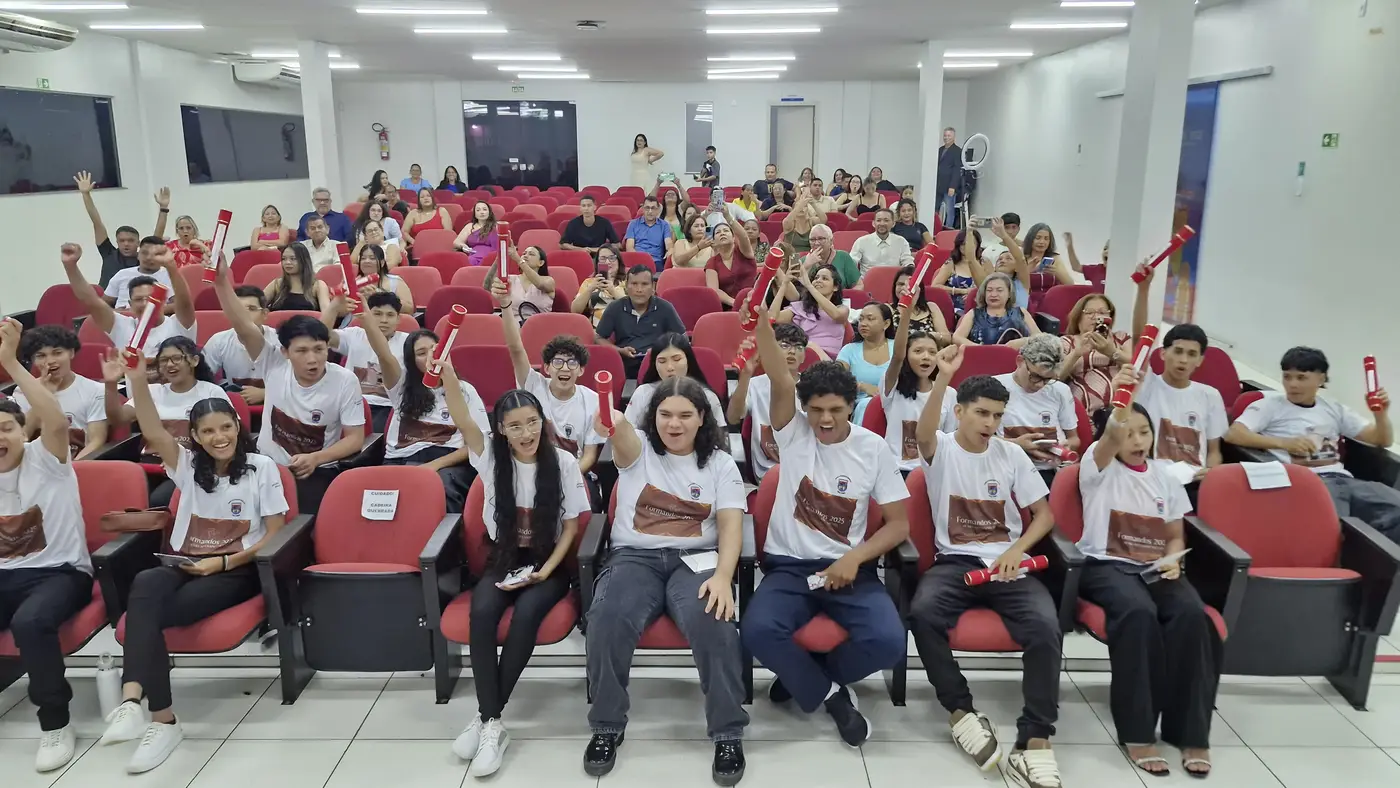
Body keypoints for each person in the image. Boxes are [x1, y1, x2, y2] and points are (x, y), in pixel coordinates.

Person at [101, 350, 287, 774]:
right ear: (196, 437)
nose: (219, 437)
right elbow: (151, 427)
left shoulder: (261, 468)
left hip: (235, 569)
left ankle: (157, 716)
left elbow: (275, 534)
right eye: (208, 431)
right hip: (184, 561)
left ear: (238, 426)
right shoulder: (187, 467)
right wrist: (136, 378)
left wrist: (222, 564)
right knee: (146, 583)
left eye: (226, 427)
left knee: (148, 614)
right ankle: (135, 706)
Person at [740, 315, 910, 747]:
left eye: (835, 409)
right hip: (789, 568)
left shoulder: (873, 448)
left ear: (852, 405)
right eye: (816, 410)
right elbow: (779, 377)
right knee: (756, 630)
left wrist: (854, 558)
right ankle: (833, 696)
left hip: (849, 569)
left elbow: (899, 524)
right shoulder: (794, 432)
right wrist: (761, 324)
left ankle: (806, 678)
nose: (825, 419)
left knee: (889, 642)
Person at [583, 375, 748, 783]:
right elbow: (620, 429)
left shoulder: (720, 463)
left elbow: (731, 526)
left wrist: (723, 576)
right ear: (653, 417)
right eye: (665, 414)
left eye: (685, 415)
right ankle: (607, 725)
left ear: (702, 417)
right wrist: (612, 420)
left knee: (714, 621)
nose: (674, 424)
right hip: (634, 557)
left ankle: (727, 731)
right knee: (607, 618)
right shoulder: (638, 450)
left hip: (696, 559)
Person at [909, 353, 1064, 787]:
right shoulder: (940, 448)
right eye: (981, 413)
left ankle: (1035, 738)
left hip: (1008, 564)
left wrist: (1016, 550)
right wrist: (942, 378)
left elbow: (1044, 516)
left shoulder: (1011, 454)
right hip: (955, 563)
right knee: (922, 613)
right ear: (959, 412)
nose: (990, 423)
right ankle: (961, 712)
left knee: (1045, 626)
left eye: (997, 415)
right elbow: (922, 433)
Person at [440, 360, 587, 776]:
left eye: (532, 422)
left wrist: (547, 570)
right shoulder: (490, 458)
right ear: (502, 429)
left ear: (543, 422)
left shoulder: (563, 463)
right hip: (504, 557)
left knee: (526, 616)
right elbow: (462, 417)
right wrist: (448, 374)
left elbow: (571, 527)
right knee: (482, 613)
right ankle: (492, 721)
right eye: (516, 426)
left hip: (547, 562)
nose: (526, 433)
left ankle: (486, 717)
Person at [1075, 374, 1216, 778]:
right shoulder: (1096, 467)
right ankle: (1138, 732)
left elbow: (1175, 535)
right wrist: (1125, 395)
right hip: (1105, 566)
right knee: (1138, 614)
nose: (1137, 440)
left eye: (1144, 432)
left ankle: (1189, 732)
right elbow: (1110, 435)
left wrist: (1174, 560)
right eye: (1128, 433)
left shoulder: (1166, 476)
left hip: (1155, 568)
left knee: (1193, 616)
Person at [0, 318, 93, 774]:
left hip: (61, 573)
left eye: (6, 429)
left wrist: (10, 362)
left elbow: (53, 417)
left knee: (31, 621)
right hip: (5, 576)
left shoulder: (47, 459)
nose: (0, 439)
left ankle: (55, 722)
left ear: (23, 431)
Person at [212, 268, 365, 512]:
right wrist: (220, 280)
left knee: (304, 521)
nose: (312, 359)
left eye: (319, 349)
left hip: (315, 469)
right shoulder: (274, 363)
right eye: (302, 351)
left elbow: (355, 439)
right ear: (285, 352)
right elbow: (242, 326)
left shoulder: (345, 380)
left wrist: (316, 458)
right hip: (266, 465)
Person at [1227, 347, 1399, 541]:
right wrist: (1283, 443)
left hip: (1346, 480)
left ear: (1321, 379)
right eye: (1287, 377)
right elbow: (1234, 434)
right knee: (1335, 528)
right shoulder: (1269, 405)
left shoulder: (1334, 408)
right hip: (1307, 484)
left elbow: (1381, 440)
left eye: (1301, 378)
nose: (1292, 384)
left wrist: (1380, 415)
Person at [360, 319, 487, 513]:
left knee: (436, 491)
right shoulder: (400, 386)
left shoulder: (465, 390)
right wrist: (365, 316)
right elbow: (383, 354)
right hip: (399, 460)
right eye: (421, 353)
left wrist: (434, 465)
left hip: (446, 462)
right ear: (411, 362)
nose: (431, 357)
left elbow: (480, 444)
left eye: (436, 350)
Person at [103, 337, 231, 506]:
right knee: (117, 497)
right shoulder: (151, 392)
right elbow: (118, 419)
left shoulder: (211, 392)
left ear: (194, 361)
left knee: (158, 500)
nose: (170, 365)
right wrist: (110, 384)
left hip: (189, 467)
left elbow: (225, 436)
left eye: (176, 358)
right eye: (163, 360)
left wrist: (179, 459)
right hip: (149, 465)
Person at [497, 282, 605, 480]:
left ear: (581, 370)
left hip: (573, 475)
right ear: (546, 368)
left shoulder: (593, 401)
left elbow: (589, 456)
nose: (565, 368)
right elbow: (515, 348)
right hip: (532, 473)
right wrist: (505, 304)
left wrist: (565, 479)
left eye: (572, 363)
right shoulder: (533, 385)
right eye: (558, 362)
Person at [1127, 263, 1226, 475]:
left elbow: (1214, 451)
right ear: (1163, 353)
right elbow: (1139, 339)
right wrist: (1143, 289)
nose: (1183, 360)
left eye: (1191, 354)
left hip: (1194, 481)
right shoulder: (1148, 383)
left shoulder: (1210, 396)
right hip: (1151, 478)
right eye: (1178, 351)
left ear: (1200, 360)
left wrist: (1211, 475)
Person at [63, 242, 197, 378]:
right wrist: (70, 266)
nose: (145, 304)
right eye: (138, 299)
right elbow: (91, 300)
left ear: (163, 302)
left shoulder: (177, 324)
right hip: (133, 391)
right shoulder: (122, 325)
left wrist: (171, 266)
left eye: (151, 299)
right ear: (130, 304)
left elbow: (185, 302)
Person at [878, 306, 958, 477]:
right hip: (897, 470)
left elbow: (950, 440)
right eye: (918, 351)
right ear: (907, 356)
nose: (926, 356)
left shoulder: (949, 393)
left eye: (932, 352)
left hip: (933, 471)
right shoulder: (893, 386)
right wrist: (907, 311)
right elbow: (897, 356)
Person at [727, 323, 810, 483]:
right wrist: (745, 375)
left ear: (804, 356)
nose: (792, 351)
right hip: (769, 472)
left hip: (805, 469)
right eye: (784, 345)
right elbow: (733, 417)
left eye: (799, 347)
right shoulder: (755, 385)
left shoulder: (811, 387)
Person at [319, 290, 411, 432]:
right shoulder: (354, 335)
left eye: (390, 315)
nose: (384, 320)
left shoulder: (409, 342)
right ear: (367, 315)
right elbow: (319, 337)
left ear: (398, 319)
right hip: (350, 404)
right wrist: (334, 307)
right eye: (377, 314)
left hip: (387, 407)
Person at [994, 335, 1080, 487]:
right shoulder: (994, 386)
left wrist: (1066, 447)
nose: (1040, 385)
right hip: (1007, 469)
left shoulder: (1060, 391)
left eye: (1048, 379)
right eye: (1035, 376)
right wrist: (1016, 444)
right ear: (1020, 361)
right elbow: (974, 437)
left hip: (1050, 470)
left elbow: (1074, 439)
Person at [15, 325, 108, 459]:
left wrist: (73, 468)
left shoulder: (95, 391)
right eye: (41, 356)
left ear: (71, 353)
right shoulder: (22, 391)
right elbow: (21, 438)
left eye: (57, 353)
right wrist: (44, 395)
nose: (50, 361)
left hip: (77, 460)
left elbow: (96, 441)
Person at [74, 170, 170, 288]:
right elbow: (96, 222)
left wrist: (163, 208)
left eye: (130, 240)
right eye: (122, 240)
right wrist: (86, 195)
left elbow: (157, 236)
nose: (126, 244)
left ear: (138, 243)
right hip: (106, 298)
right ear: (117, 242)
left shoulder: (143, 258)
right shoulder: (108, 253)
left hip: (133, 298)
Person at [595, 266, 686, 378]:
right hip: (625, 365)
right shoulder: (615, 307)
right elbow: (599, 338)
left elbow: (682, 338)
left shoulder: (665, 307)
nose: (639, 289)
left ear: (653, 287)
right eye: (634, 284)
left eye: (644, 284)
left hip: (658, 366)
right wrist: (619, 350)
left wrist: (661, 350)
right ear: (626, 286)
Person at [202, 285, 282, 407]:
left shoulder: (280, 340)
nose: (243, 315)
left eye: (251, 309)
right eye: (238, 309)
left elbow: (299, 383)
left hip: (277, 406)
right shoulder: (218, 341)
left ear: (264, 314)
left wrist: (265, 393)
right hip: (233, 406)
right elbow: (201, 379)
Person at [626, 333, 726, 428]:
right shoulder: (643, 393)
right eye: (662, 361)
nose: (669, 367)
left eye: (677, 359)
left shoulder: (707, 396)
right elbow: (627, 432)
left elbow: (720, 435)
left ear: (688, 360)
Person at [1057, 292, 1131, 416]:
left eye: (1102, 312)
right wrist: (1076, 353)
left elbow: (1136, 365)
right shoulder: (1067, 342)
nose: (1096, 317)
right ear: (1078, 318)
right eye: (1089, 312)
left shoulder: (1121, 338)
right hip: (1085, 409)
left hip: (1121, 405)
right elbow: (1055, 376)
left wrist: (1112, 352)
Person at [836, 302, 894, 424]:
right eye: (861, 319)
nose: (863, 323)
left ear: (886, 324)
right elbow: (836, 378)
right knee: (867, 405)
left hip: (895, 402)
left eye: (870, 319)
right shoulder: (849, 350)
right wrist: (861, 386)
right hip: (860, 406)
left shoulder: (897, 347)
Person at [776, 263, 848, 359]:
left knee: (809, 345)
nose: (818, 280)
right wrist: (784, 284)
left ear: (835, 287)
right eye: (816, 278)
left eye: (824, 278)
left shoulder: (842, 309)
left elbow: (836, 315)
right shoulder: (801, 307)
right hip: (803, 356)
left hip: (829, 361)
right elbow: (773, 318)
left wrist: (809, 286)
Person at [953, 272, 1039, 348]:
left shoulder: (1021, 312)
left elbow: (1040, 337)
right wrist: (978, 348)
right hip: (981, 357)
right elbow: (957, 337)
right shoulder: (973, 313)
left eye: (999, 290)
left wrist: (1023, 342)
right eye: (989, 290)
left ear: (1009, 293)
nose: (993, 294)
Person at [102, 235, 174, 310]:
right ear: (138, 255)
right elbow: (103, 304)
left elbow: (178, 305)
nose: (149, 258)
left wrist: (149, 312)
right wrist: (116, 312)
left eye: (155, 254)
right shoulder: (122, 274)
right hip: (121, 315)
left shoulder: (171, 276)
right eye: (145, 253)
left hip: (156, 316)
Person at [703, 210, 757, 307]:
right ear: (714, 241)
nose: (722, 233)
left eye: (726, 231)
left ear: (733, 238)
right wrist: (735, 303)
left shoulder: (743, 252)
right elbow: (714, 290)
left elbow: (744, 236)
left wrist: (728, 216)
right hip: (728, 306)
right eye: (718, 232)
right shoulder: (712, 262)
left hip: (752, 302)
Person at [490, 245, 557, 322]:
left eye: (531, 254)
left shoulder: (548, 280)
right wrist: (499, 258)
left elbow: (539, 283)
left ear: (541, 263)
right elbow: (487, 286)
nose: (525, 256)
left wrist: (519, 260)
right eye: (524, 253)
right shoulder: (510, 279)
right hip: (512, 326)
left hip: (539, 325)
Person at [931, 228, 988, 317]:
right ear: (958, 245)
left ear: (978, 245)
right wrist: (963, 291)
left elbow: (992, 285)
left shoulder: (985, 262)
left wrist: (974, 293)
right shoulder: (951, 263)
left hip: (981, 306)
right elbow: (935, 286)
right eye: (963, 244)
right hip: (956, 309)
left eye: (971, 244)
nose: (967, 247)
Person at [890, 265, 953, 345]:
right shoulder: (888, 309)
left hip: (929, 350)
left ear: (919, 288)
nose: (905, 288)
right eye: (900, 284)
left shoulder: (931, 307)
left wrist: (928, 336)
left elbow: (947, 338)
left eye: (910, 284)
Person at [850, 208, 913, 280]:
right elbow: (852, 263)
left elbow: (907, 261)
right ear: (873, 223)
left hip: (894, 283)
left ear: (893, 223)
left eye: (886, 220)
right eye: (878, 220)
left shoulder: (901, 241)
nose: (882, 224)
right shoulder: (861, 241)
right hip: (867, 282)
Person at [265, 244, 329, 313]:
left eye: (293, 259)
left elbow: (327, 313)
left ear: (304, 260)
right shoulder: (277, 284)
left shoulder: (318, 286)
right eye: (284, 259)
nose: (287, 262)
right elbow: (258, 305)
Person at [350, 244, 414, 312]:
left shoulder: (395, 281)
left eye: (372, 258)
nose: (367, 261)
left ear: (382, 262)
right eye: (363, 258)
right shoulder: (353, 283)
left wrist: (379, 297)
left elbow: (409, 309)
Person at [573, 244, 626, 327]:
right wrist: (590, 289)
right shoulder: (589, 282)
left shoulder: (627, 282)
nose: (607, 262)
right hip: (596, 328)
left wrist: (613, 291)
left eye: (612, 258)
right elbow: (574, 310)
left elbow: (634, 307)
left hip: (623, 327)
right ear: (597, 262)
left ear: (618, 261)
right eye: (603, 258)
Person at [799, 224, 859, 289]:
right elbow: (797, 290)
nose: (816, 243)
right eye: (812, 240)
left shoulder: (843, 257)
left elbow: (859, 285)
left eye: (821, 239)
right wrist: (806, 266)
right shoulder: (803, 261)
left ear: (831, 241)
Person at [624, 195, 674, 271]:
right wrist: (642, 259)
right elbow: (629, 248)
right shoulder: (633, 224)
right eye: (647, 208)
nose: (650, 211)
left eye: (653, 208)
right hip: (637, 260)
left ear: (657, 210)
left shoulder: (664, 225)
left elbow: (668, 243)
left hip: (656, 262)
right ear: (643, 209)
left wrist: (670, 249)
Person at [402, 188, 452, 255]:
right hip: (418, 248)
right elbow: (404, 231)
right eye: (422, 197)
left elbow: (448, 234)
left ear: (432, 198)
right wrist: (414, 242)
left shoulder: (442, 211)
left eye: (428, 196)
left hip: (439, 247)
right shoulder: (413, 213)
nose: (426, 198)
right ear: (419, 200)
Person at [453, 200, 499, 266]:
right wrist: (463, 246)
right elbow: (456, 242)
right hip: (473, 255)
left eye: (484, 209)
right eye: (478, 210)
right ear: (475, 214)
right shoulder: (469, 226)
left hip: (492, 257)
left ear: (489, 212)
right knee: (470, 260)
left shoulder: (496, 226)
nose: (482, 212)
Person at [937, 128, 964, 230]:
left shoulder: (957, 151)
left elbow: (957, 170)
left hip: (949, 186)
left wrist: (953, 186)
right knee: (936, 209)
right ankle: (936, 228)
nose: (946, 138)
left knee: (949, 211)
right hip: (938, 185)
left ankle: (948, 230)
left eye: (949, 136)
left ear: (953, 137)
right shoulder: (940, 150)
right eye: (945, 135)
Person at [780, 186, 818, 253]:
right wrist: (801, 204)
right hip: (792, 256)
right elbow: (786, 221)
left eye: (804, 206)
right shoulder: (790, 223)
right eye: (799, 206)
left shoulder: (811, 221)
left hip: (809, 256)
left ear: (807, 210)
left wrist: (813, 204)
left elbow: (824, 219)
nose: (801, 208)